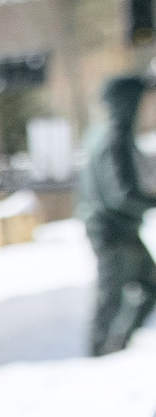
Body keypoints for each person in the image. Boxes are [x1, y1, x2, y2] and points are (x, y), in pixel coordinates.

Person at [81, 71, 153, 356]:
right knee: (110, 295)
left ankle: (116, 345)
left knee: (149, 284)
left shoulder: (109, 132)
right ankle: (99, 354)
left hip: (120, 227)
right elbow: (120, 193)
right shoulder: (113, 137)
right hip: (111, 230)